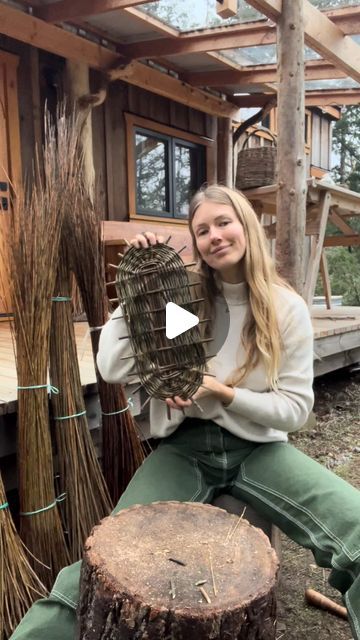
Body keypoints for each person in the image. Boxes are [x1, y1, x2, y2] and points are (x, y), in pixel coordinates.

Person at [11, 184, 360, 640]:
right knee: (105, 561)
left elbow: (294, 411)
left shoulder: (285, 308)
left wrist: (222, 393)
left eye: (223, 222)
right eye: (201, 230)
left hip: (259, 449)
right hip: (185, 448)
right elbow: (111, 365)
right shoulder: (186, 303)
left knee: (355, 528)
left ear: (246, 226)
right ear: (193, 243)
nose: (214, 236)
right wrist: (139, 290)